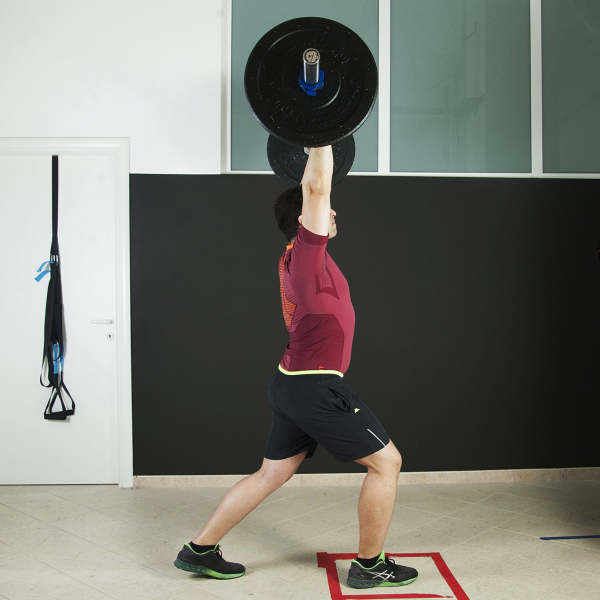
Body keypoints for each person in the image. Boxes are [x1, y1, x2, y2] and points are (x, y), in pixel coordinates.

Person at [174, 146, 418, 590]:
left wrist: (311, 153)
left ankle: (199, 549)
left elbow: (314, 188)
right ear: (307, 219)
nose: (333, 210)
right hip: (314, 387)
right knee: (387, 463)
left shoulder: (301, 258)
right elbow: (317, 189)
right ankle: (370, 565)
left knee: (272, 472)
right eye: (325, 208)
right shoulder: (306, 257)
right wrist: (321, 142)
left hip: (290, 384)